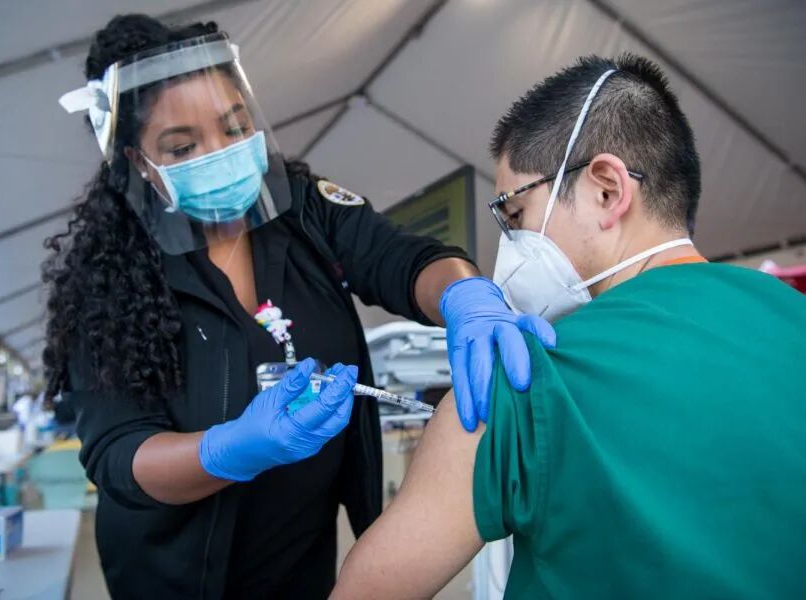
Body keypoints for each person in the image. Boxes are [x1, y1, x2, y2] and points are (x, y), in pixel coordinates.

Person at [44, 14, 551, 598]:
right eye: (183, 146)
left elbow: (402, 260)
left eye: (235, 127)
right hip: (179, 580)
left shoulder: (303, 211)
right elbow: (118, 453)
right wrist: (231, 450)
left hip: (302, 565)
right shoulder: (110, 280)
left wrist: (464, 295)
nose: (221, 152)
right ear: (139, 161)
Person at [333, 54, 806, 599]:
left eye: (515, 215)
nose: (511, 246)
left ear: (607, 189)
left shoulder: (517, 383)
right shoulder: (791, 320)